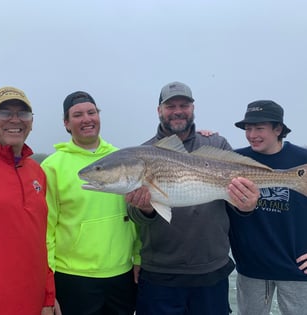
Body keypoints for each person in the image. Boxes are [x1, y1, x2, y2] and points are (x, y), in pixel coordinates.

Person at [125, 81, 259, 315]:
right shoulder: (141, 154)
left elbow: (236, 202)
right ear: (159, 111)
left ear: (193, 108)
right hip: (161, 273)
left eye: (184, 105)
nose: (178, 111)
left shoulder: (215, 143)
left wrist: (246, 206)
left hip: (211, 269)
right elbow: (136, 217)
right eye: (170, 106)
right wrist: (145, 209)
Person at [41, 91, 140, 315]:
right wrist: (48, 284)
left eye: (91, 112)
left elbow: (136, 217)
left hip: (121, 274)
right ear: (66, 123)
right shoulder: (51, 167)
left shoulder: (124, 158)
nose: (86, 119)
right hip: (73, 277)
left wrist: (139, 257)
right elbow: (46, 231)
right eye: (77, 115)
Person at [228, 100, 307, 315]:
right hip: (251, 268)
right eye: (248, 128)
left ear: (278, 129)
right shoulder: (234, 160)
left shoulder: (303, 160)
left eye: (259, 128)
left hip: (297, 268)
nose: (252, 134)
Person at [0, 86, 56, 314]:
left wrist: (49, 295)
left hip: (34, 302)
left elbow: (39, 241)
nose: (15, 119)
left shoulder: (37, 172)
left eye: (23, 113)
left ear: (31, 121)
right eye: (4, 112)